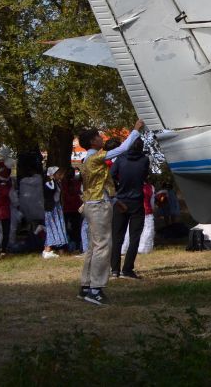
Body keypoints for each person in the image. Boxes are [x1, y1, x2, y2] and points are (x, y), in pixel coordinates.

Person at [76, 119, 144, 306]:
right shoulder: (96, 157)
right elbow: (122, 149)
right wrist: (135, 130)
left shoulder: (86, 160)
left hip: (93, 204)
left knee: (93, 246)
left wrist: (116, 201)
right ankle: (95, 290)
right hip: (98, 206)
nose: (101, 138)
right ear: (92, 142)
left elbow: (100, 184)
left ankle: (86, 286)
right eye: (98, 136)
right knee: (103, 246)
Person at [110, 136, 150, 279]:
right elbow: (145, 175)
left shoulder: (120, 159)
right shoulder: (145, 160)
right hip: (137, 201)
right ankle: (127, 269)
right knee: (134, 237)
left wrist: (118, 187)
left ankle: (114, 269)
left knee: (117, 237)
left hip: (121, 201)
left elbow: (111, 175)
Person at [42, 166, 69, 258]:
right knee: (52, 228)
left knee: (59, 227)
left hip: (57, 208)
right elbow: (51, 190)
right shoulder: (48, 183)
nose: (60, 175)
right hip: (51, 209)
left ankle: (60, 249)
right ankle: (48, 249)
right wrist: (52, 179)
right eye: (58, 174)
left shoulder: (57, 183)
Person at [61, 166, 82, 251]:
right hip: (76, 208)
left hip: (66, 208)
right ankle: (76, 245)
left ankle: (67, 246)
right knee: (76, 228)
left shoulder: (63, 183)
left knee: (66, 228)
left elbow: (63, 195)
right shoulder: (77, 183)